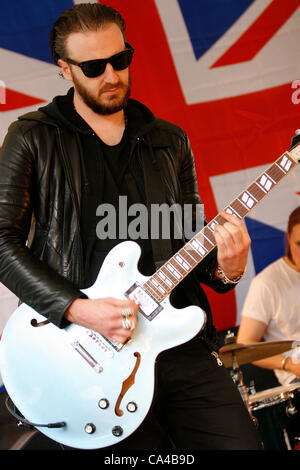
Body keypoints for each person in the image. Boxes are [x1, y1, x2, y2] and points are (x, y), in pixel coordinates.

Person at [0, 3, 262, 450]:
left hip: (175, 344)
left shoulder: (169, 140)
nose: (111, 76)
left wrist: (228, 269)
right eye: (93, 66)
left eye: (120, 60)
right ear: (65, 70)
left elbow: (190, 247)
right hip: (88, 354)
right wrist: (77, 309)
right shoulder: (33, 136)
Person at [237, 206, 300, 386]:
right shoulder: (266, 283)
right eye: (299, 244)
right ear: (288, 237)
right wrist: (287, 364)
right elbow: (246, 345)